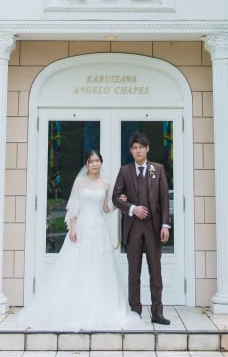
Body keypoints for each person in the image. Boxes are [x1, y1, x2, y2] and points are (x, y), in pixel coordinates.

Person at [15, 150, 146, 331]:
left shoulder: (106, 184)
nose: (94, 164)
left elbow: (106, 208)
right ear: (86, 164)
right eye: (91, 161)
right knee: (77, 266)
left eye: (97, 160)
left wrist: (118, 203)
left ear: (101, 162)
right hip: (82, 227)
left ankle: (101, 308)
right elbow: (73, 206)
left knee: (99, 267)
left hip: (99, 229)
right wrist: (73, 228)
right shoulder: (80, 182)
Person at [111, 132, 170, 324]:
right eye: (135, 148)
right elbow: (115, 197)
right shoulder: (125, 170)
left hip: (153, 228)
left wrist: (165, 225)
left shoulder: (158, 169)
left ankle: (157, 312)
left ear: (147, 149)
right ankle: (135, 311)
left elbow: (163, 200)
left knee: (156, 270)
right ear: (131, 151)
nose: (138, 150)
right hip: (133, 228)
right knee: (133, 272)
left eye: (141, 147)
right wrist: (132, 209)